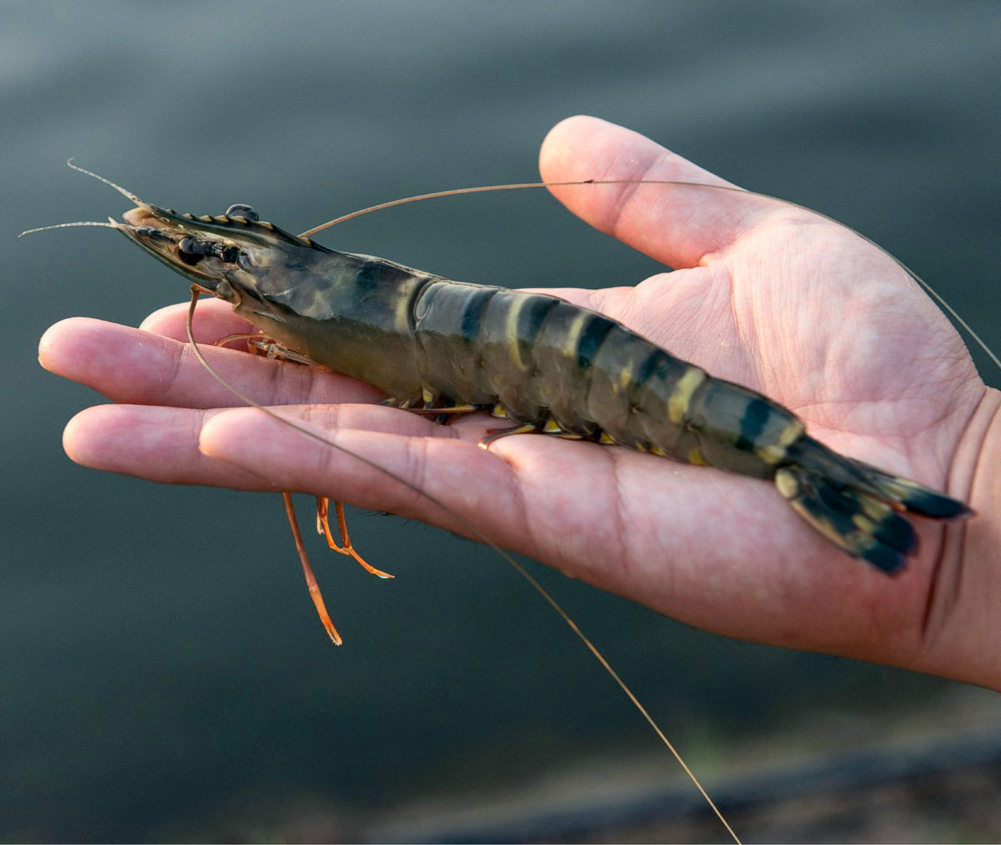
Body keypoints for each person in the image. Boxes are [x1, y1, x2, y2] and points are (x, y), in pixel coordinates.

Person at [39, 116, 1000, 690]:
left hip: (579, 373)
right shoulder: (317, 280)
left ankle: (815, 470)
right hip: (536, 346)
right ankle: (837, 475)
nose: (215, 256)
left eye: (237, 240)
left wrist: (964, 462)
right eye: (217, 255)